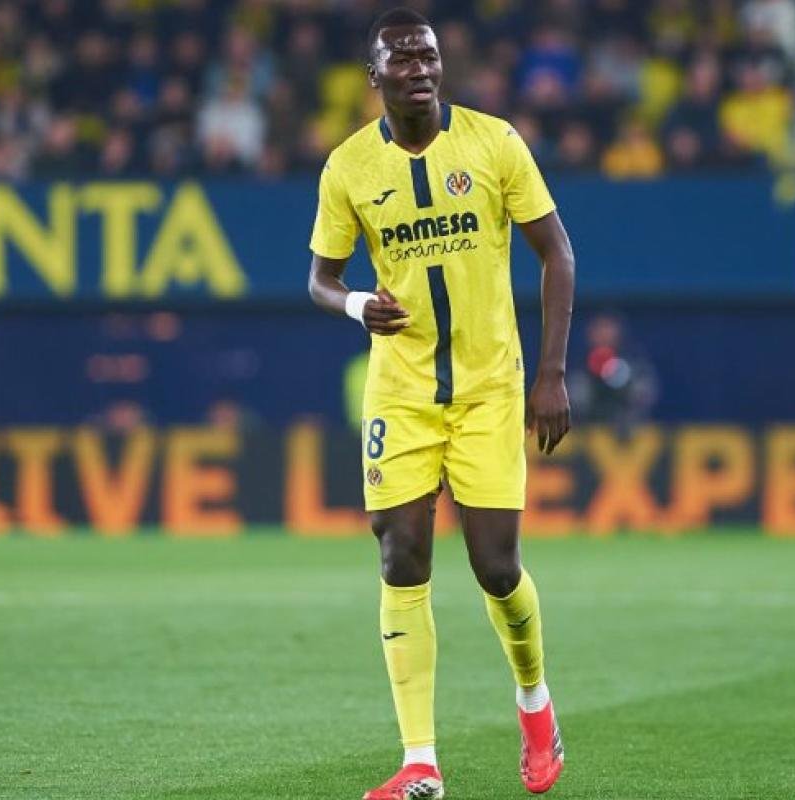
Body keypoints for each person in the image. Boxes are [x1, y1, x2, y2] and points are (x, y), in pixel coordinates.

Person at [306, 9, 575, 800]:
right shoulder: (349, 167)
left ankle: (534, 701)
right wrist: (357, 304)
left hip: (489, 387)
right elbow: (319, 279)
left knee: (496, 568)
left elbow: (557, 253)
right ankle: (419, 761)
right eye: (402, 59)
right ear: (375, 77)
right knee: (401, 556)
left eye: (427, 55)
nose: (419, 68)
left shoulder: (494, 143)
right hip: (402, 389)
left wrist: (552, 374)